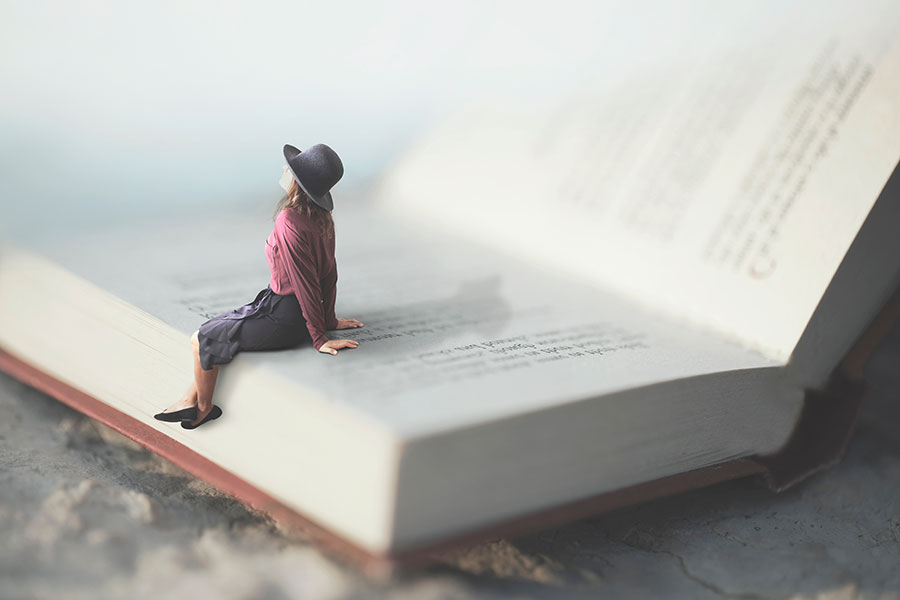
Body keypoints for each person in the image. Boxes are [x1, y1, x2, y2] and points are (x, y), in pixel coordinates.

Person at [154, 143, 363, 429]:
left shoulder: (289, 220)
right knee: (220, 330)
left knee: (199, 338)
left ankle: (204, 408)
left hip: (284, 317)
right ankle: (187, 402)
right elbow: (329, 274)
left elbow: (305, 283)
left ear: (298, 182)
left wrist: (319, 337)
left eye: (290, 168)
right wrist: (328, 319)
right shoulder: (322, 219)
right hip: (281, 307)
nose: (284, 169)